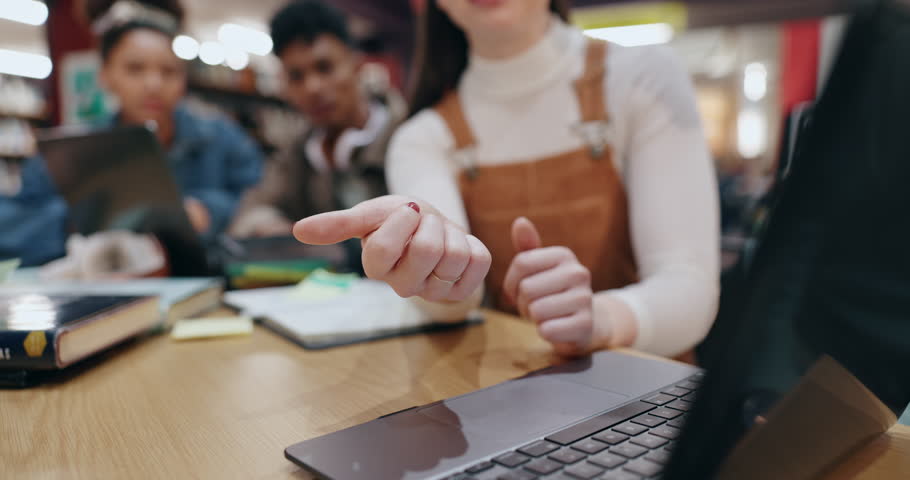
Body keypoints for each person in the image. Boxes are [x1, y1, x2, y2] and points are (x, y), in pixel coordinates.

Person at [295, 0, 720, 358]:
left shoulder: (644, 77)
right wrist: (429, 265)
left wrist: (604, 319)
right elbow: (457, 304)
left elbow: (689, 287)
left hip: (649, 398)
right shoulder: (420, 137)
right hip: (508, 395)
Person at [86, 0, 263, 239]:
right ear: (105, 76)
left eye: (169, 71)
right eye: (135, 69)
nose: (154, 85)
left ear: (183, 79)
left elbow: (261, 200)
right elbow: (23, 218)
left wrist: (208, 210)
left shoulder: (225, 139)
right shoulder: (81, 151)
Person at [230, 0, 407, 238]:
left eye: (325, 67)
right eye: (296, 76)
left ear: (356, 64)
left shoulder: (407, 136)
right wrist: (278, 230)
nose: (312, 87)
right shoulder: (295, 153)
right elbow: (251, 212)